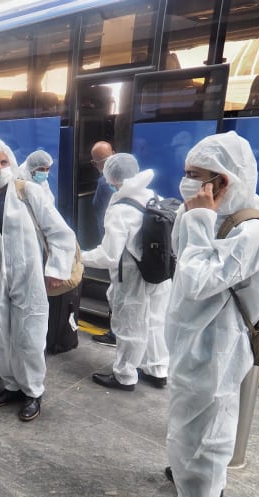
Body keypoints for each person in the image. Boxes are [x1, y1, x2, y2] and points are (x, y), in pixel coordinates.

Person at [150, 131, 259, 497]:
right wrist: (195, 217)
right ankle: (200, 479)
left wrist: (197, 219)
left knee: (204, 427)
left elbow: (197, 280)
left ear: (223, 180)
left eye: (196, 175)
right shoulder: (213, 213)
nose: (186, 182)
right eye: (187, 172)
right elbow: (183, 259)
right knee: (198, 422)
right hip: (195, 339)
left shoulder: (253, 230)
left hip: (217, 345)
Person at [0, 138, 76, 422]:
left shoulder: (28, 192)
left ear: (10, 162)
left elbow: (60, 232)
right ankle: (11, 386)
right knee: (1, 334)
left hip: (28, 276)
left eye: (3, 162)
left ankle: (33, 391)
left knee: (30, 335)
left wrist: (56, 269)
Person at [81, 153, 170, 391]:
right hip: (160, 273)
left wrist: (80, 256)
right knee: (156, 323)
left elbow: (109, 255)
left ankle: (124, 376)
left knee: (129, 326)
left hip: (133, 277)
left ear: (110, 177)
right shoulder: (153, 196)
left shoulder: (120, 208)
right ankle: (158, 370)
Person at [90, 140, 117, 347]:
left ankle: (114, 334)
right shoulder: (131, 180)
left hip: (113, 245)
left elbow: (102, 213)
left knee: (116, 291)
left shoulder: (104, 182)